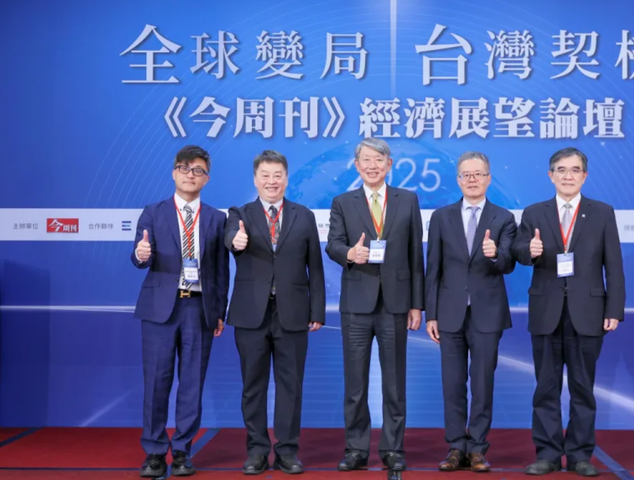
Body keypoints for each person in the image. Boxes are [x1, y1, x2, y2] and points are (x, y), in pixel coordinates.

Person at [513, 147, 625, 477]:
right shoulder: (534, 212)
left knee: (582, 388)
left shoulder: (602, 212)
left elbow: (614, 265)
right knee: (545, 388)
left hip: (588, 311)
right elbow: (518, 250)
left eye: (575, 170)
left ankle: (579, 455)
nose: (568, 176)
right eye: (561, 170)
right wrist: (529, 251)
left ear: (584, 176)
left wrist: (614, 308)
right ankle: (547, 454)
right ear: (551, 176)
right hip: (546, 310)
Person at [325, 137, 424, 472]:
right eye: (366, 160)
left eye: (378, 159)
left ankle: (393, 448)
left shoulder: (407, 200)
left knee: (395, 383)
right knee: (355, 383)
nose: (372, 165)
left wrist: (417, 305)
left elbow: (415, 255)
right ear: (357, 165)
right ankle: (356, 449)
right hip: (356, 304)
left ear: (389, 164)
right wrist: (350, 253)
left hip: (396, 304)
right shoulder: (343, 202)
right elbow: (333, 244)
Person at [224, 150, 325, 475]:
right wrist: (236, 240)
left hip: (292, 313)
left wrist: (317, 309)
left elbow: (315, 267)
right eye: (265, 175)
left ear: (286, 178)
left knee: (290, 386)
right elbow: (230, 238)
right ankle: (256, 450)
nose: (271, 181)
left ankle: (287, 451)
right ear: (255, 180)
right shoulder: (239, 213)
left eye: (277, 175)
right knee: (252, 386)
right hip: (251, 314)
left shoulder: (303, 215)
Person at [131, 145, 229, 478]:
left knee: (192, 383)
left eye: (198, 170)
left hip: (198, 309)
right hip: (160, 309)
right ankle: (154, 452)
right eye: (184, 168)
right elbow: (138, 256)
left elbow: (220, 270)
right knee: (156, 382)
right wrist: (141, 254)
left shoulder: (216, 218)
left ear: (207, 178)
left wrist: (219, 311)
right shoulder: (153, 212)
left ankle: (183, 450)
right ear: (174, 173)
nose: (190, 175)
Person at [424, 151, 517, 473]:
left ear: (489, 178)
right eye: (466, 174)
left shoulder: (504, 218)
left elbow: (509, 263)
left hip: (487, 314)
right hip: (449, 313)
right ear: (458, 180)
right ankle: (455, 447)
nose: (472, 179)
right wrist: (431, 314)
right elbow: (433, 268)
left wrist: (495, 254)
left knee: (482, 384)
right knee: (452, 384)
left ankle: (477, 448)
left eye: (478, 174)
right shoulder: (442, 217)